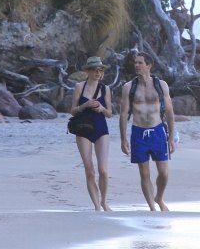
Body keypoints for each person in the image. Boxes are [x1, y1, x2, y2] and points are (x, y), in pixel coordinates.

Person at [119, 52, 176, 212]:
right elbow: (123, 114)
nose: (136, 65)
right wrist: (123, 139)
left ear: (149, 66)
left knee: (163, 173)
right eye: (135, 62)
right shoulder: (129, 87)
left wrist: (171, 137)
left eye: (140, 62)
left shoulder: (161, 85)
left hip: (158, 131)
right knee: (144, 174)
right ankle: (152, 207)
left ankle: (159, 197)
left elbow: (170, 112)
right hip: (138, 132)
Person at [69, 56, 113, 212]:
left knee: (103, 170)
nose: (98, 73)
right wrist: (85, 105)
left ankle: (104, 201)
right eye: (95, 70)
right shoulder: (79, 87)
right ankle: (96, 206)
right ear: (88, 71)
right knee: (90, 170)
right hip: (83, 129)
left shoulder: (105, 89)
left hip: (101, 128)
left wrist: (101, 108)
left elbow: (110, 113)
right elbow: (72, 110)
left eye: (100, 70)